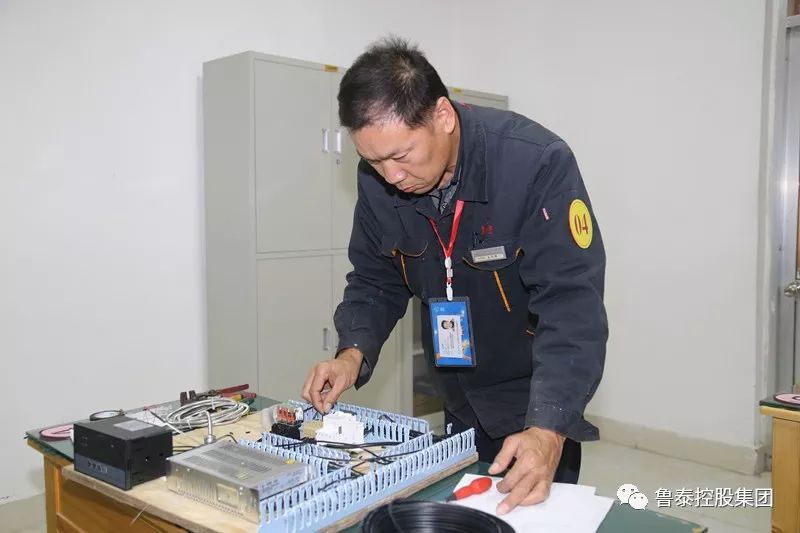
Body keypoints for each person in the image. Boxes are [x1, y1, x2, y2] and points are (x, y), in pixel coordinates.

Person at [302, 37, 607, 515]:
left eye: (400, 156)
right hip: (457, 393)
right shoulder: (380, 178)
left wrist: (549, 428)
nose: (390, 176)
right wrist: (351, 354)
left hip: (531, 402)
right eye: (374, 161)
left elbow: (571, 305)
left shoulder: (535, 163)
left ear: (442, 116)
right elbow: (376, 277)